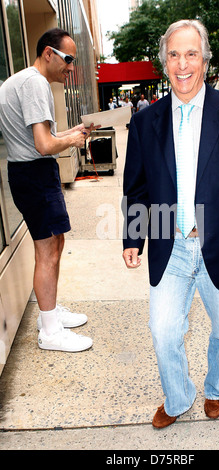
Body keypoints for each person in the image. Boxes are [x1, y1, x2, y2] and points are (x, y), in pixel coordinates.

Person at [122, 20, 219, 428]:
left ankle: (217, 390)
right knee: (163, 332)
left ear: (206, 61)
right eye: (173, 54)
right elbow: (137, 185)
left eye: (191, 53)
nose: (182, 63)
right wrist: (133, 236)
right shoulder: (145, 122)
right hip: (169, 244)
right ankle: (178, 397)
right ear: (164, 62)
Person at [0, 28, 96, 353]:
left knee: (55, 241)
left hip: (28, 173)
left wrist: (74, 131)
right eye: (68, 60)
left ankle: (49, 314)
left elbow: (40, 139)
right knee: (47, 250)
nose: (71, 69)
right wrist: (72, 140)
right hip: (35, 175)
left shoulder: (25, 80)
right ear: (48, 54)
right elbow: (44, 146)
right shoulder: (35, 84)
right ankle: (50, 331)